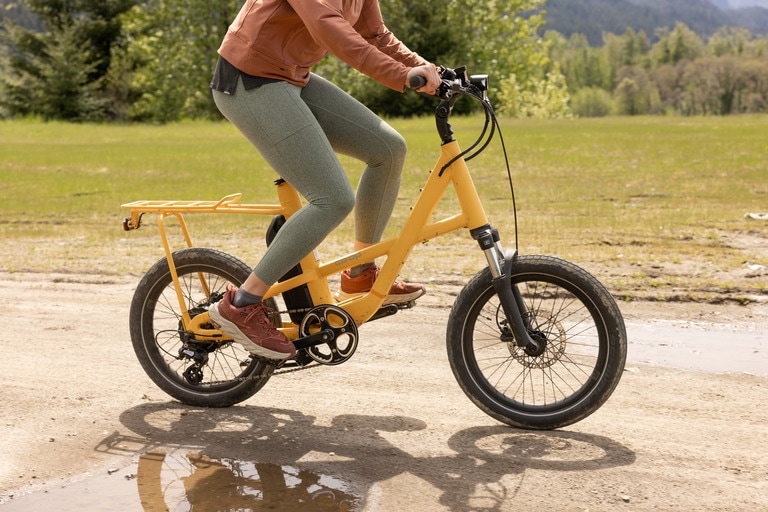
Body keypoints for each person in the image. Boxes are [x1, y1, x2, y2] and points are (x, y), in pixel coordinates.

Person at [207, 0, 442, 361]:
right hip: (249, 80)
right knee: (332, 198)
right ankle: (242, 303)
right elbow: (330, 29)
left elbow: (374, 33)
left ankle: (361, 272)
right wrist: (400, 75)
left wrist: (424, 66)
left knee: (389, 149)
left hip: (291, 75)